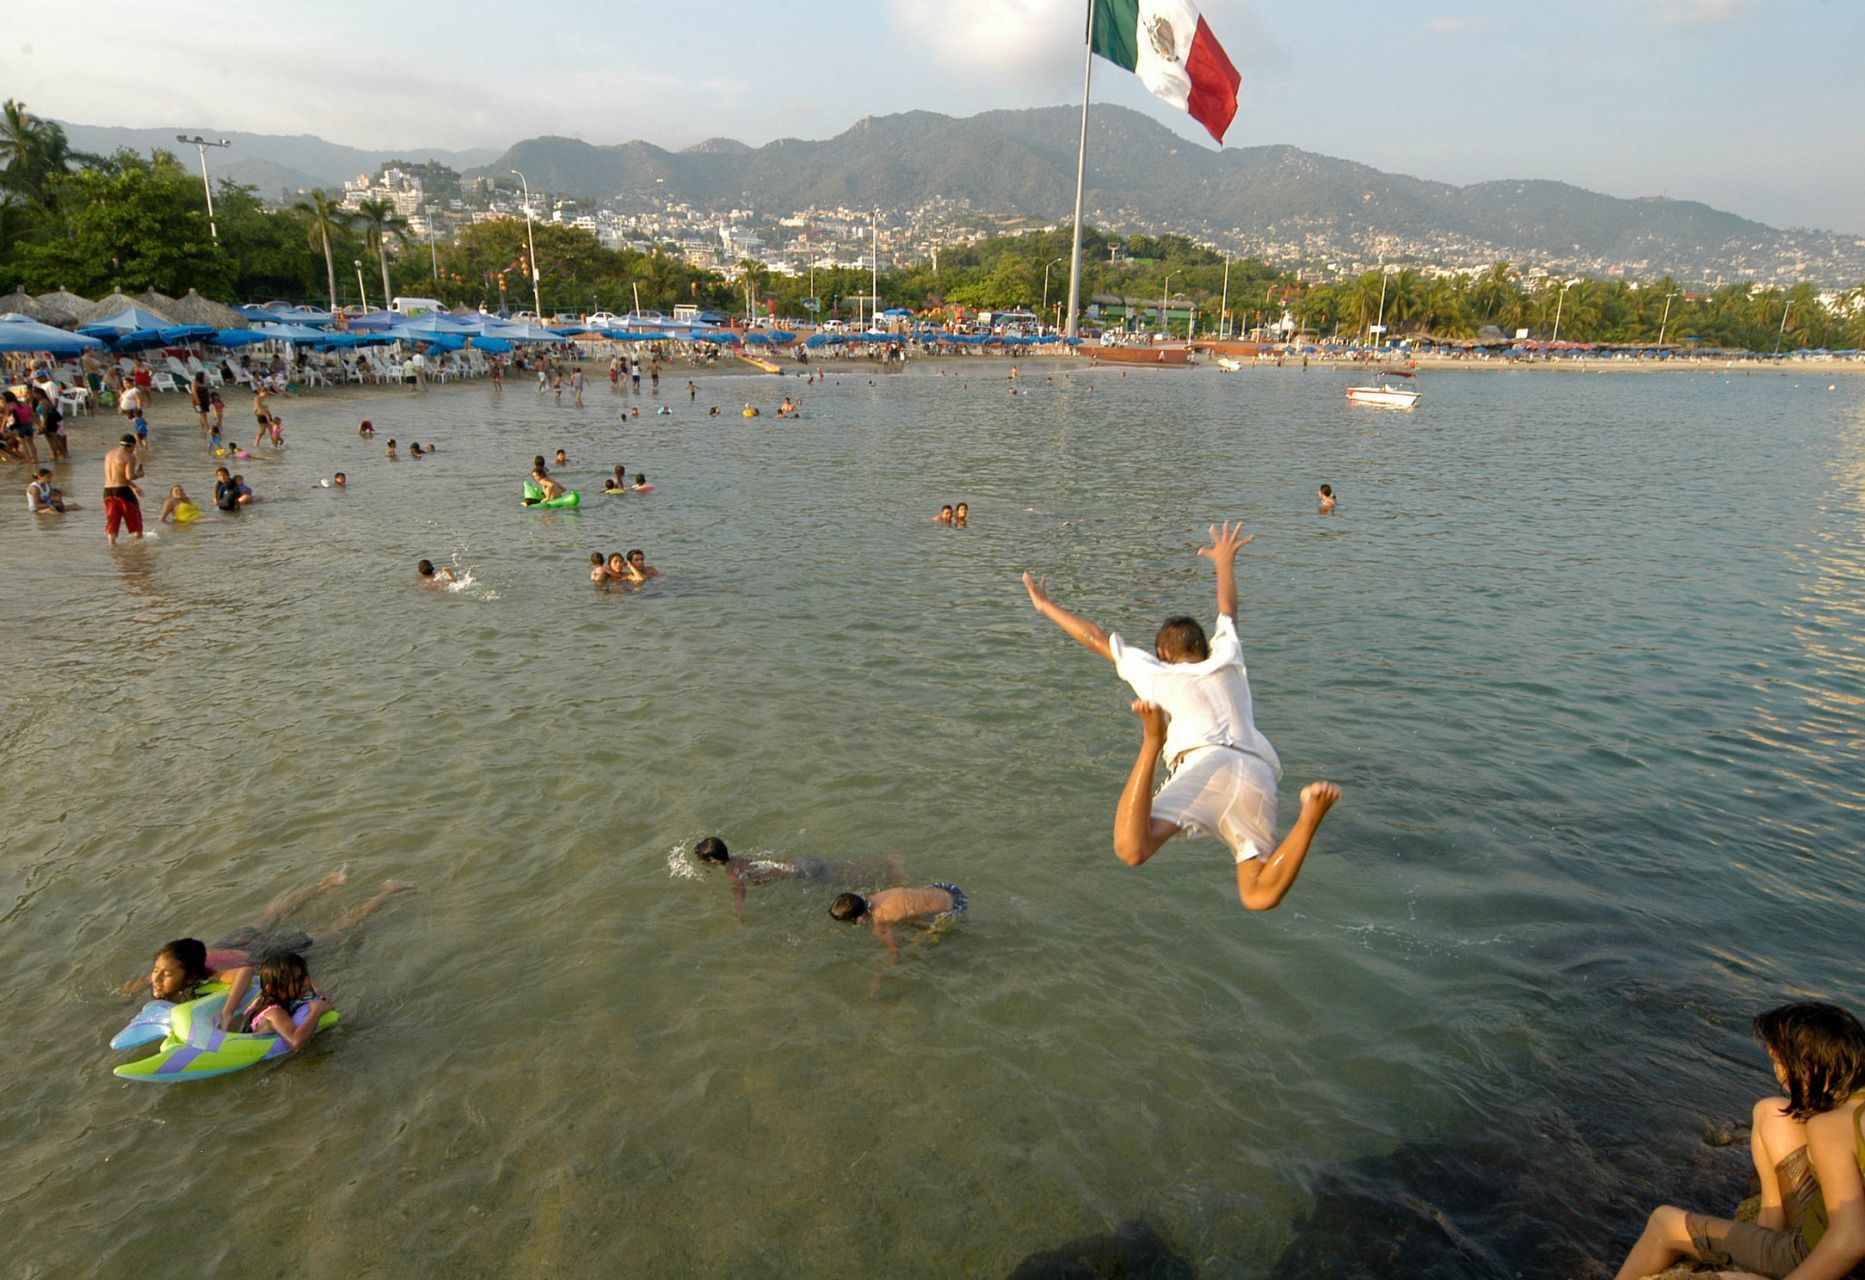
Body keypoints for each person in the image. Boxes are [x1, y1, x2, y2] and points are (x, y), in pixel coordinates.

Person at [1021, 521, 1340, 911]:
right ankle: (1310, 815)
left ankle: (1151, 742)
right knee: (1258, 894)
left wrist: (1046, 605)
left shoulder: (1156, 672)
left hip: (1204, 764)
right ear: (1204, 647)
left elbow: (1096, 638)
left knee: (1131, 848)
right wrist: (1224, 561)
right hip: (1257, 768)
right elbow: (1229, 611)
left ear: (1162, 652)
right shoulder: (1227, 657)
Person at [1611, 1002, 1865, 1280]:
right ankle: (1768, 1226)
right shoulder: (1852, 1112)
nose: (1778, 1073)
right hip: (1821, 1221)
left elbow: (1851, 1241)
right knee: (1771, 1111)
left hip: (1813, 1255)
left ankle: (1761, 1261)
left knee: (1664, 1222)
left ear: (1809, 1068)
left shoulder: (1829, 1127)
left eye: (1780, 1062)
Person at [694, 836, 904, 921]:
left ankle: (888, 865)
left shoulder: (732, 870)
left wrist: (739, 909)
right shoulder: (739, 859)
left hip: (802, 871)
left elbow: (738, 888)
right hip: (800, 862)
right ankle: (885, 863)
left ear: (712, 860)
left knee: (844, 878)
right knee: (841, 870)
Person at [830, 885, 968, 963]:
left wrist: (890, 964)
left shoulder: (879, 924)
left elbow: (895, 953)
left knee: (920, 943)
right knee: (913, 920)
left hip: (954, 909)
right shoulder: (875, 897)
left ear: (859, 918)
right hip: (946, 888)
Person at [239, 952, 331, 1051]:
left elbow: (314, 988)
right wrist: (316, 1011)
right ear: (273, 989)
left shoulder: (268, 996)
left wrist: (318, 992)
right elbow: (296, 1042)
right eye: (296, 980)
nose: (305, 983)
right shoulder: (275, 1013)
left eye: (305, 976)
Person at [102, 434, 144, 546]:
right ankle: (138, 544)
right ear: (133, 445)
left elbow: (118, 475)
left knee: (112, 518)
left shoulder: (109, 454)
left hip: (107, 490)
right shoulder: (129, 456)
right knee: (135, 518)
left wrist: (134, 487)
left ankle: (112, 545)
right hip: (123, 491)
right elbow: (129, 476)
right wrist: (139, 474)